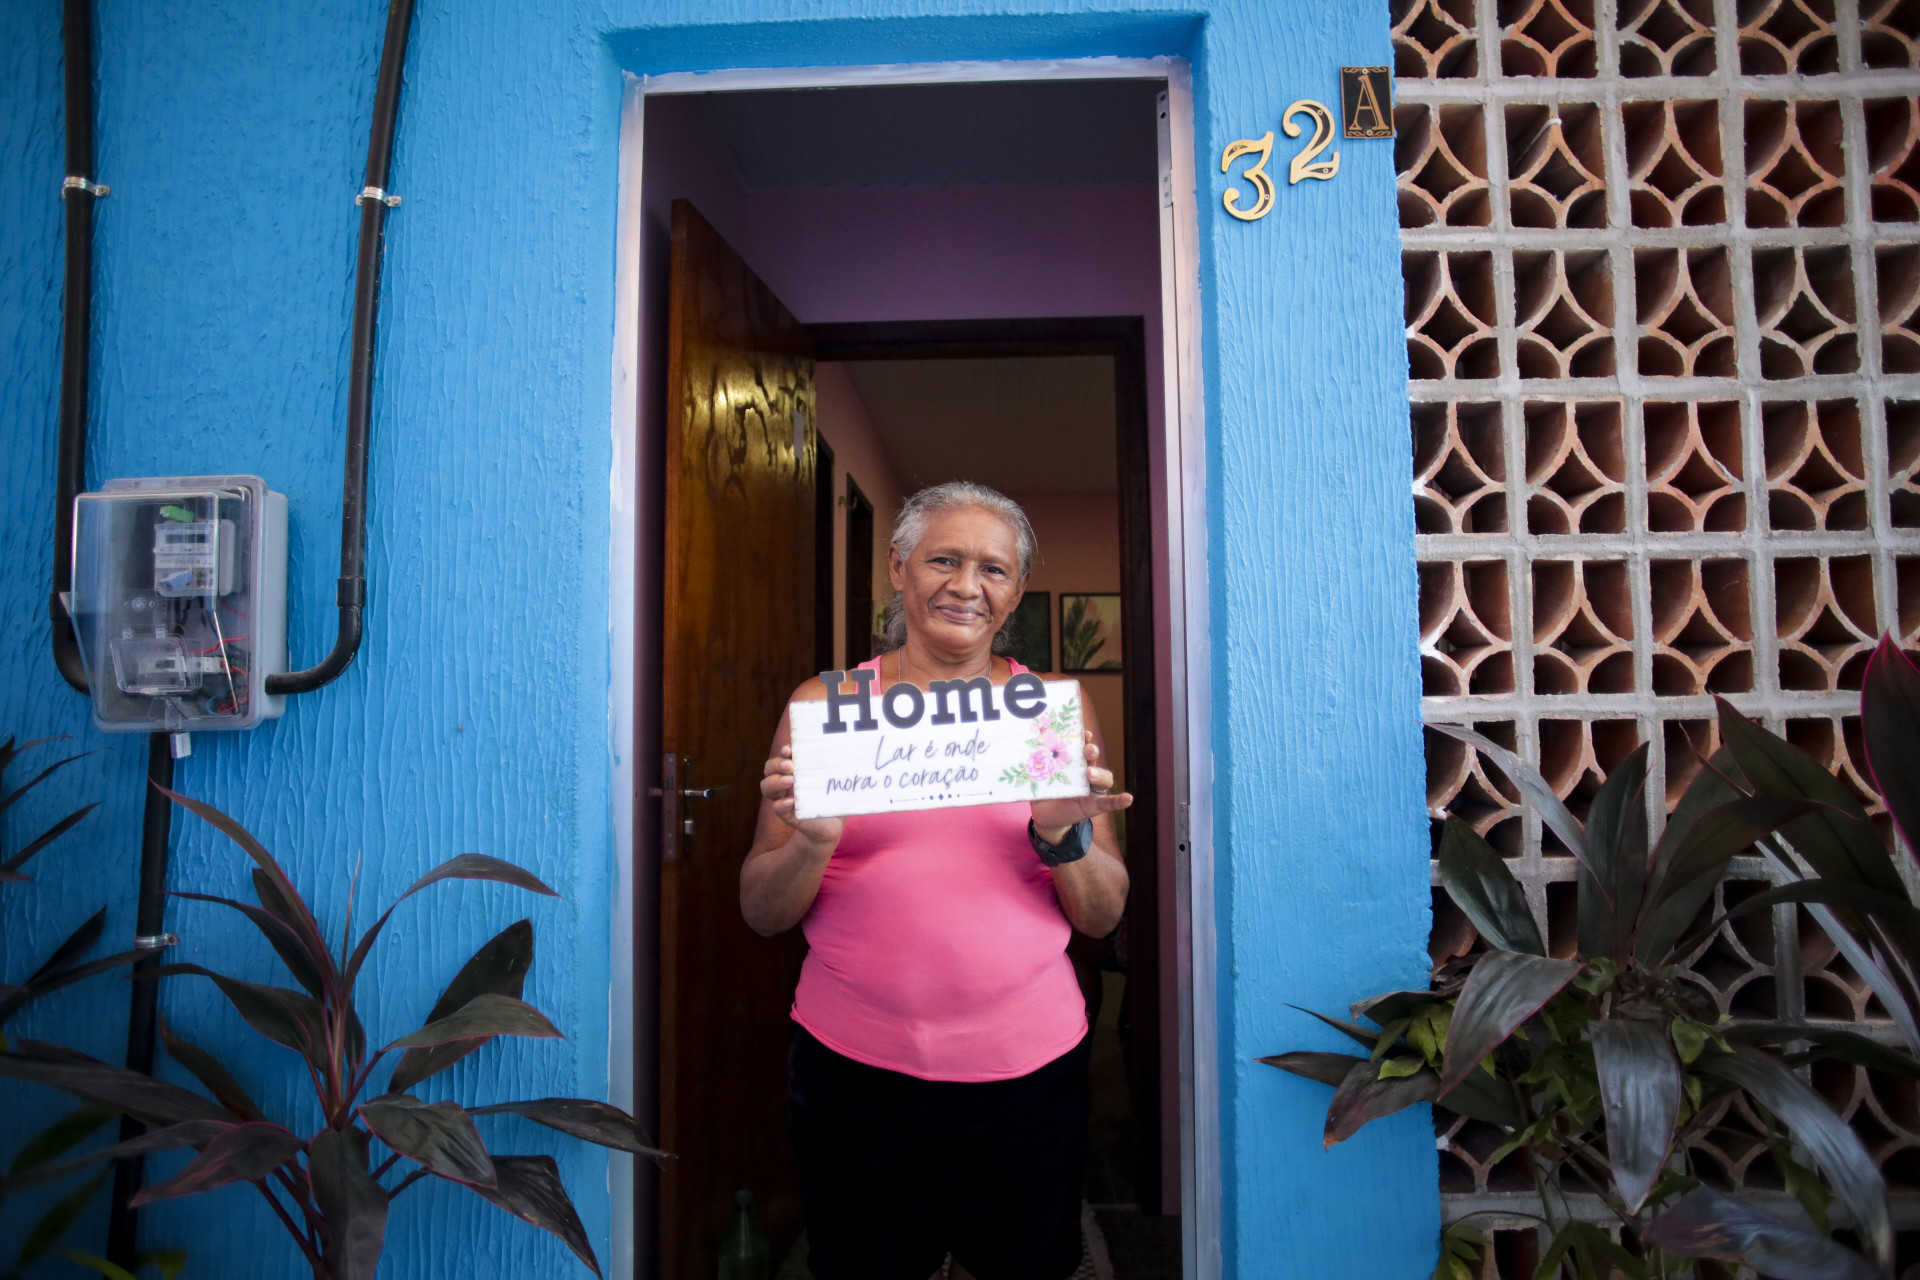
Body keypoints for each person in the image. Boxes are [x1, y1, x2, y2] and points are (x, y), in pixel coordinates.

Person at [743, 481, 1132, 1280]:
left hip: (1027, 1070)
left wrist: (1064, 835)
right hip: (854, 1071)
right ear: (898, 568)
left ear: (1016, 591)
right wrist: (811, 844)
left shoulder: (1048, 707)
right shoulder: (831, 707)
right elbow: (761, 910)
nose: (966, 586)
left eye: (992, 569)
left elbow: (1101, 914)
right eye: (943, 560)